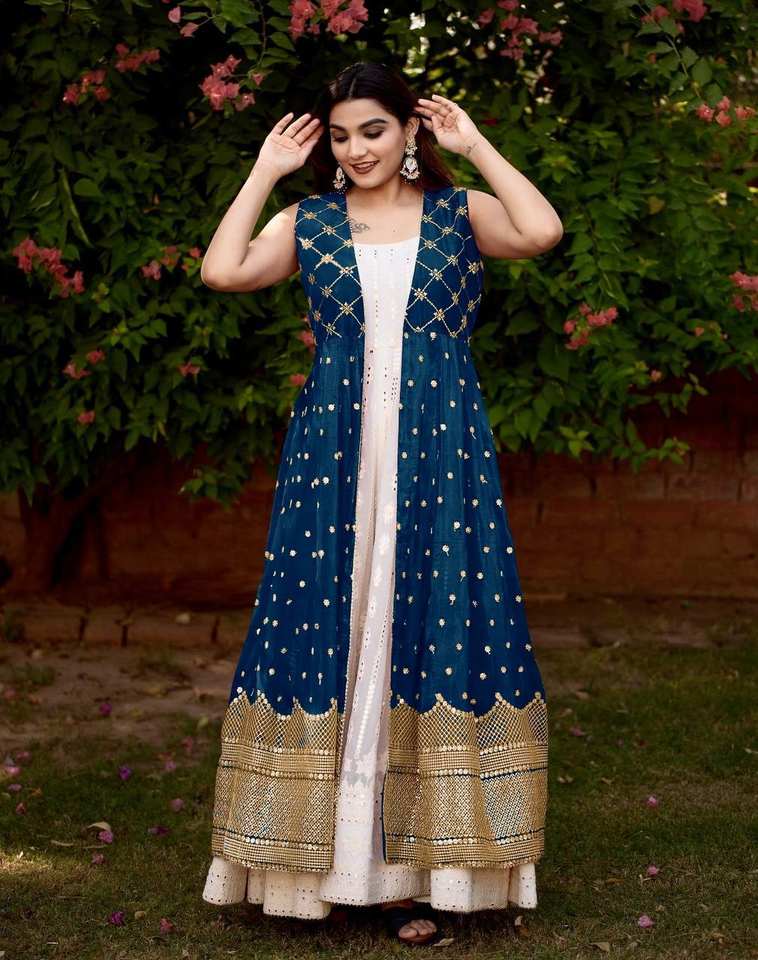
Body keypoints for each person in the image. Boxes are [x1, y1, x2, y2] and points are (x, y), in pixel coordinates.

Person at [200, 61, 562, 946]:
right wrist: (264, 172)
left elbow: (542, 230)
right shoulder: (310, 222)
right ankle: (315, 871)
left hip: (440, 451)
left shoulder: (458, 213)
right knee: (334, 621)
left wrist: (475, 145)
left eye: (373, 129)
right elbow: (222, 269)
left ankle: (424, 875)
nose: (356, 148)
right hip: (335, 454)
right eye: (340, 135)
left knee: (430, 624)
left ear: (408, 131)